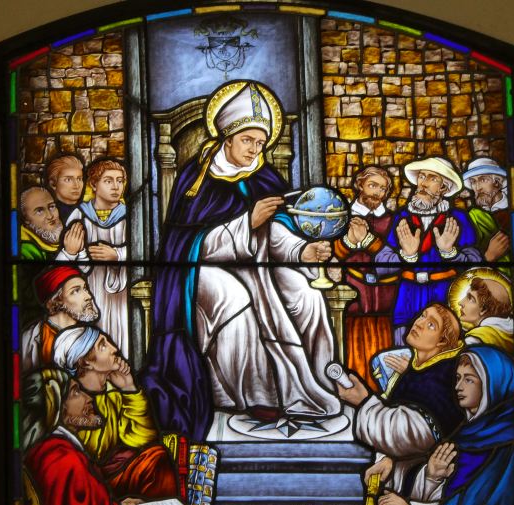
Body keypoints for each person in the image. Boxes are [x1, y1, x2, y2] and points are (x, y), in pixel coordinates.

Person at [143, 80, 340, 440]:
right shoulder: (196, 179)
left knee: (307, 296)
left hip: (258, 265)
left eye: (261, 143)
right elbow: (189, 243)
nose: (254, 149)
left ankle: (319, 385)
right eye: (247, 140)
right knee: (236, 298)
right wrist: (246, 223)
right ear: (227, 138)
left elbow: (276, 234)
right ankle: (251, 397)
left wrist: (302, 251)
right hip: (200, 270)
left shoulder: (263, 177)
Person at [22, 368, 218, 505]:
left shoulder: (54, 454)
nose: (88, 398)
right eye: (76, 392)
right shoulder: (63, 461)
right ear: (57, 407)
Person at [416, 346, 514, 505]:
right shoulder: (464, 435)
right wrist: (433, 478)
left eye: (469, 379)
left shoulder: (510, 441)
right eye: (457, 378)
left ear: (493, 384)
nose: (458, 386)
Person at [339, 303, 465, 493]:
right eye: (423, 315)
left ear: (441, 341)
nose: (419, 323)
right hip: (405, 478)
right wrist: (388, 459)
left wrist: (364, 401)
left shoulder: (441, 380)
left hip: (427, 487)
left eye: (431, 325)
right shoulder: (417, 370)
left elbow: (408, 434)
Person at [53, 326, 179, 499]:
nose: (114, 349)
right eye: (103, 345)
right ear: (85, 362)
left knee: (156, 458)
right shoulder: (70, 404)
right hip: (83, 486)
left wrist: (129, 388)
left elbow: (143, 442)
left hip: (107, 483)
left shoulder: (113, 396)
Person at [375, 157, 481, 345]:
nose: (423, 183)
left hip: (443, 293)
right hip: (408, 295)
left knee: (444, 344)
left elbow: (476, 264)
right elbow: (380, 265)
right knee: (403, 346)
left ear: (444, 188)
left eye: (432, 178)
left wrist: (450, 253)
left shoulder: (457, 218)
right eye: (421, 176)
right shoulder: (403, 217)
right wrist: (406, 256)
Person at [333, 166, 397, 389]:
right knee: (353, 354)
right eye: (372, 185)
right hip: (353, 296)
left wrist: (369, 240)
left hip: (385, 300)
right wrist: (348, 242)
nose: (377, 192)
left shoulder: (393, 221)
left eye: (383, 188)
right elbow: (330, 254)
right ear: (359, 185)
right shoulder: (342, 217)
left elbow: (398, 258)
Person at [62, 158, 129, 357]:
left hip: (122, 294)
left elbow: (148, 250)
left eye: (120, 181)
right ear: (93, 184)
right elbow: (69, 259)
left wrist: (117, 255)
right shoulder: (79, 216)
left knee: (123, 334)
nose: (116, 187)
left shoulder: (131, 215)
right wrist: (77, 253)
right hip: (90, 288)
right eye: (108, 181)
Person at [21, 266, 99, 371]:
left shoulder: (92, 336)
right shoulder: (32, 337)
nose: (88, 296)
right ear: (57, 300)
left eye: (85, 289)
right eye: (76, 291)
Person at [462, 157, 510, 261]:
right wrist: (489, 256)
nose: (477, 188)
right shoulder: (473, 215)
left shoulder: (513, 213)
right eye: (473, 182)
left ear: (497, 182)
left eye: (483, 180)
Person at [19, 186, 83, 260]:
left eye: (52, 207)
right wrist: (68, 254)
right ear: (26, 219)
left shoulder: (69, 236)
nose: (50, 216)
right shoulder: (25, 251)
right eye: (39, 211)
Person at [457, 271, 514, 353]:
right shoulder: (508, 334)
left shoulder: (475, 340)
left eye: (471, 299)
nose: (460, 302)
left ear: (484, 309)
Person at [45, 154, 85, 224]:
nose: (77, 185)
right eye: (68, 180)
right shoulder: (48, 215)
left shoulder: (89, 212)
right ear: (53, 184)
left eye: (79, 179)